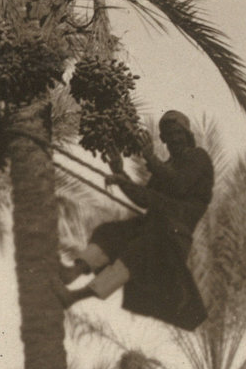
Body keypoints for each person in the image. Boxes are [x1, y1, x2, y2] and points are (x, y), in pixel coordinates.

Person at [57, 109, 213, 330]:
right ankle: (73, 272)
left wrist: (150, 158)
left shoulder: (198, 158)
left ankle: (74, 297)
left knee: (134, 257)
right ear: (164, 140)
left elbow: (180, 185)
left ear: (187, 135)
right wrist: (121, 174)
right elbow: (144, 199)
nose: (175, 138)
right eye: (169, 134)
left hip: (172, 235)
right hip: (153, 226)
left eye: (178, 132)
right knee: (109, 234)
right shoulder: (166, 167)